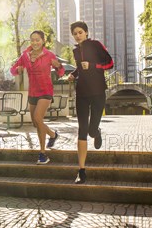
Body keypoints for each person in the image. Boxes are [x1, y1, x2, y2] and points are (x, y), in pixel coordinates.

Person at [67, 21, 114, 184]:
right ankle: (81, 170)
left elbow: (110, 63)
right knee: (82, 129)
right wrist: (73, 73)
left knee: (92, 130)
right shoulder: (75, 50)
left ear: (86, 32)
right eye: (75, 33)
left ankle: (96, 132)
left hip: (98, 92)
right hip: (82, 93)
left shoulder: (95, 45)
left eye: (80, 32)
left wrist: (93, 65)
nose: (78, 35)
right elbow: (80, 68)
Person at [10, 30, 65, 164]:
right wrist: (18, 70)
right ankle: (53, 135)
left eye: (37, 40)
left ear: (43, 41)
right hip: (32, 92)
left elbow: (61, 72)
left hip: (46, 91)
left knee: (37, 118)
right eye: (32, 40)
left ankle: (42, 154)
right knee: (36, 123)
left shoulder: (49, 55)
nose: (35, 42)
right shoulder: (25, 56)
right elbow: (13, 70)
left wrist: (58, 67)